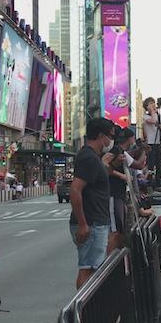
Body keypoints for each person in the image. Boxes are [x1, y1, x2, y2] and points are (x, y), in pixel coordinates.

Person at [70, 118, 115, 289]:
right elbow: (75, 190)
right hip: (92, 223)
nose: (111, 141)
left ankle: (88, 310)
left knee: (91, 269)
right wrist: (83, 224)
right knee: (88, 270)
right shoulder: (89, 157)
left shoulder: (92, 157)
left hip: (95, 222)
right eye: (110, 136)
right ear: (101, 135)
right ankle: (86, 312)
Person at [142, 97, 161, 188]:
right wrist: (152, 111)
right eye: (150, 104)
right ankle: (149, 183)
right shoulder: (145, 116)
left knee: (159, 164)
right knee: (151, 164)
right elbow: (152, 121)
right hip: (151, 143)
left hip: (159, 143)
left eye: (153, 103)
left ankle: (158, 184)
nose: (153, 105)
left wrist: (159, 124)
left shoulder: (159, 116)